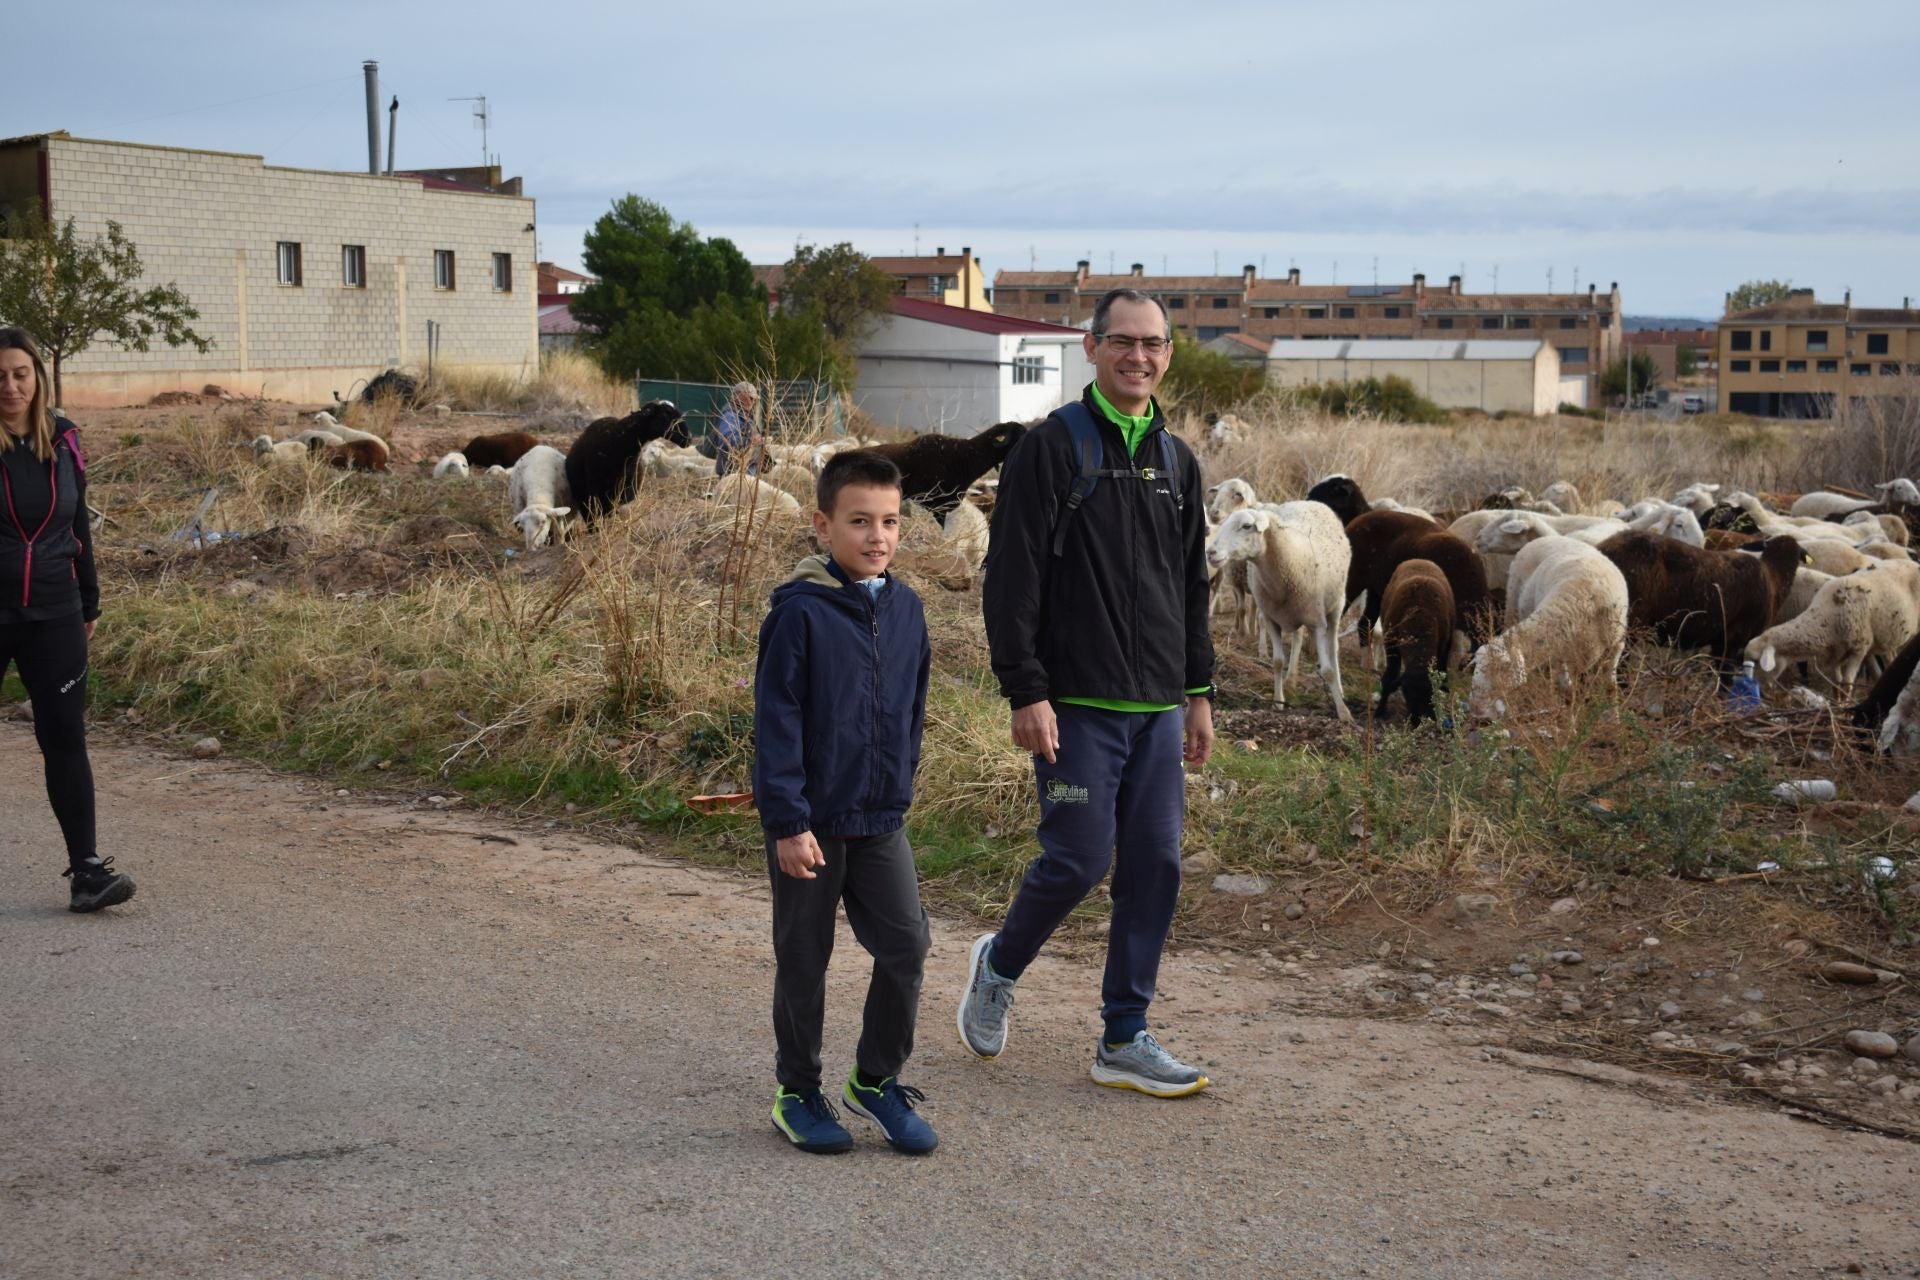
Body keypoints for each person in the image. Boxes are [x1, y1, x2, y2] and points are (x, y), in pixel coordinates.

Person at [959, 289, 1215, 1097]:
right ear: (1091, 348)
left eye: (1154, 344)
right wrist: (1024, 690)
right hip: (1077, 702)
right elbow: (1013, 579)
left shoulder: (1178, 462)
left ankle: (1124, 1036)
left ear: (1169, 353)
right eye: (1123, 342)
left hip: (1158, 709)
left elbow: (1190, 586)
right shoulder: (1052, 447)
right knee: (1075, 859)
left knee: (1156, 865)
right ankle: (999, 967)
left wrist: (1199, 692)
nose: (1139, 356)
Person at [753, 450, 937, 1155]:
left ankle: (876, 1079)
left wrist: (901, 785)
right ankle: (797, 1090)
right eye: (859, 521)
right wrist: (789, 821)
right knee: (805, 957)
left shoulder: (908, 608)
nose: (877, 537)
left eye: (890, 522)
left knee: (907, 945)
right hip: (812, 826)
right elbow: (779, 723)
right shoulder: (799, 613)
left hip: (880, 819)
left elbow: (913, 708)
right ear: (822, 526)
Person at [0, 328, 131, 913]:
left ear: (37, 377)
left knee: (64, 738)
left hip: (54, 611)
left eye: (19, 374)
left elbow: (79, 530)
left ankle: (87, 873)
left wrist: (89, 603)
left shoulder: (66, 440)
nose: (10, 386)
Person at [712, 380, 761, 477]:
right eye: (750, 398)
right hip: (733, 474)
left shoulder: (744, 414)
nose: (752, 402)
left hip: (745, 472)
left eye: (753, 399)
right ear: (738, 395)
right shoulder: (730, 415)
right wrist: (751, 441)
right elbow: (729, 440)